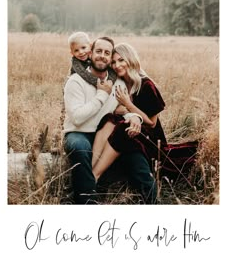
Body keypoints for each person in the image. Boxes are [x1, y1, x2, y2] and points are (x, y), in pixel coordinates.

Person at [63, 36, 155, 204]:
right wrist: (102, 94)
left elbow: (119, 110)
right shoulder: (75, 81)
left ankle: (151, 201)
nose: (102, 56)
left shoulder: (118, 82)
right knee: (80, 148)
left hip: (106, 133)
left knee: (134, 152)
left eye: (107, 53)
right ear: (90, 54)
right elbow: (77, 118)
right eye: (98, 51)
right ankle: (86, 201)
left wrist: (133, 117)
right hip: (80, 133)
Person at [92, 42, 167, 183]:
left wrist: (127, 104)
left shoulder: (146, 85)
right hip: (131, 131)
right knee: (110, 119)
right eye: (113, 62)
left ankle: (95, 175)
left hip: (151, 138)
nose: (117, 65)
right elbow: (116, 110)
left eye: (121, 60)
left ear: (130, 60)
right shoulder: (119, 82)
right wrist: (120, 110)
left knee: (120, 128)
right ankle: (91, 172)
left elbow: (152, 123)